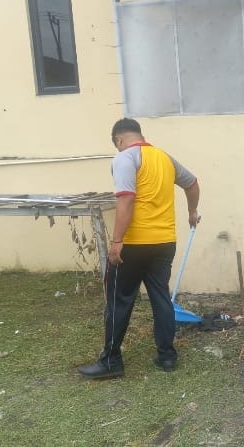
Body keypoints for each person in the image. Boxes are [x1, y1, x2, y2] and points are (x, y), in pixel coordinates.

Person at [78, 118, 200, 379]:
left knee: (118, 300)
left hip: (134, 244)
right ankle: (167, 356)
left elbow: (126, 200)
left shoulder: (125, 158)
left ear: (119, 139)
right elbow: (192, 183)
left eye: (117, 144)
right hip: (164, 242)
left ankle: (111, 361)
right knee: (161, 298)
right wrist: (192, 212)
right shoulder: (164, 158)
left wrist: (116, 241)